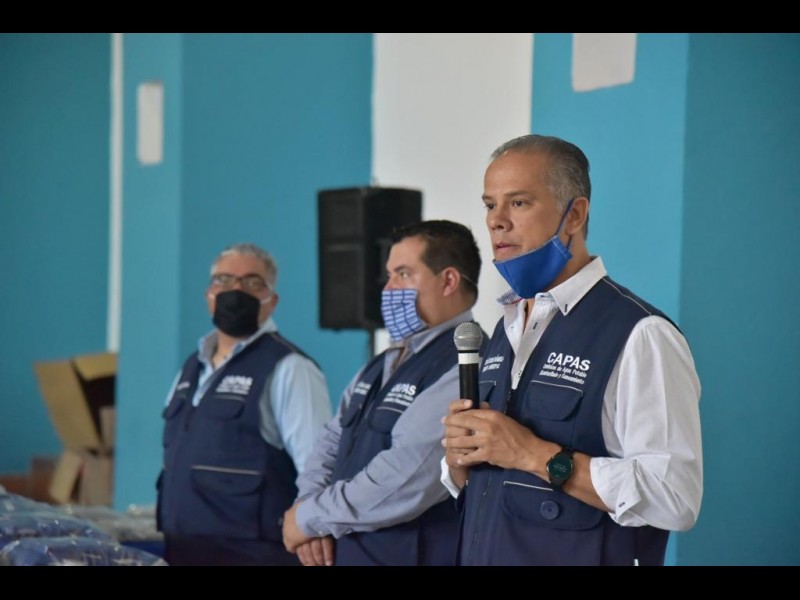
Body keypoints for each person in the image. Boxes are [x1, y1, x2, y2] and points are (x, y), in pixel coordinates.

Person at [441, 134, 703, 566]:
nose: (496, 222)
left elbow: (675, 497)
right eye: (489, 205)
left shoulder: (640, 334)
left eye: (518, 203)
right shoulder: (504, 329)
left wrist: (533, 454)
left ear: (575, 215)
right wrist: (458, 460)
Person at [281, 220, 486, 566]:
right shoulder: (383, 362)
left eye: (403, 274)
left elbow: (405, 476)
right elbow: (331, 440)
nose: (389, 288)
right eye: (389, 275)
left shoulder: (466, 366)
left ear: (448, 281)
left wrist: (308, 518)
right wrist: (308, 513)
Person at [156, 242, 332, 566]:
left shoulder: (290, 368)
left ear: (272, 301)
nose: (235, 291)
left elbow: (318, 466)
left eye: (252, 282)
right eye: (223, 280)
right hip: (184, 550)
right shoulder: (191, 367)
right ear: (208, 295)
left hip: (255, 555)